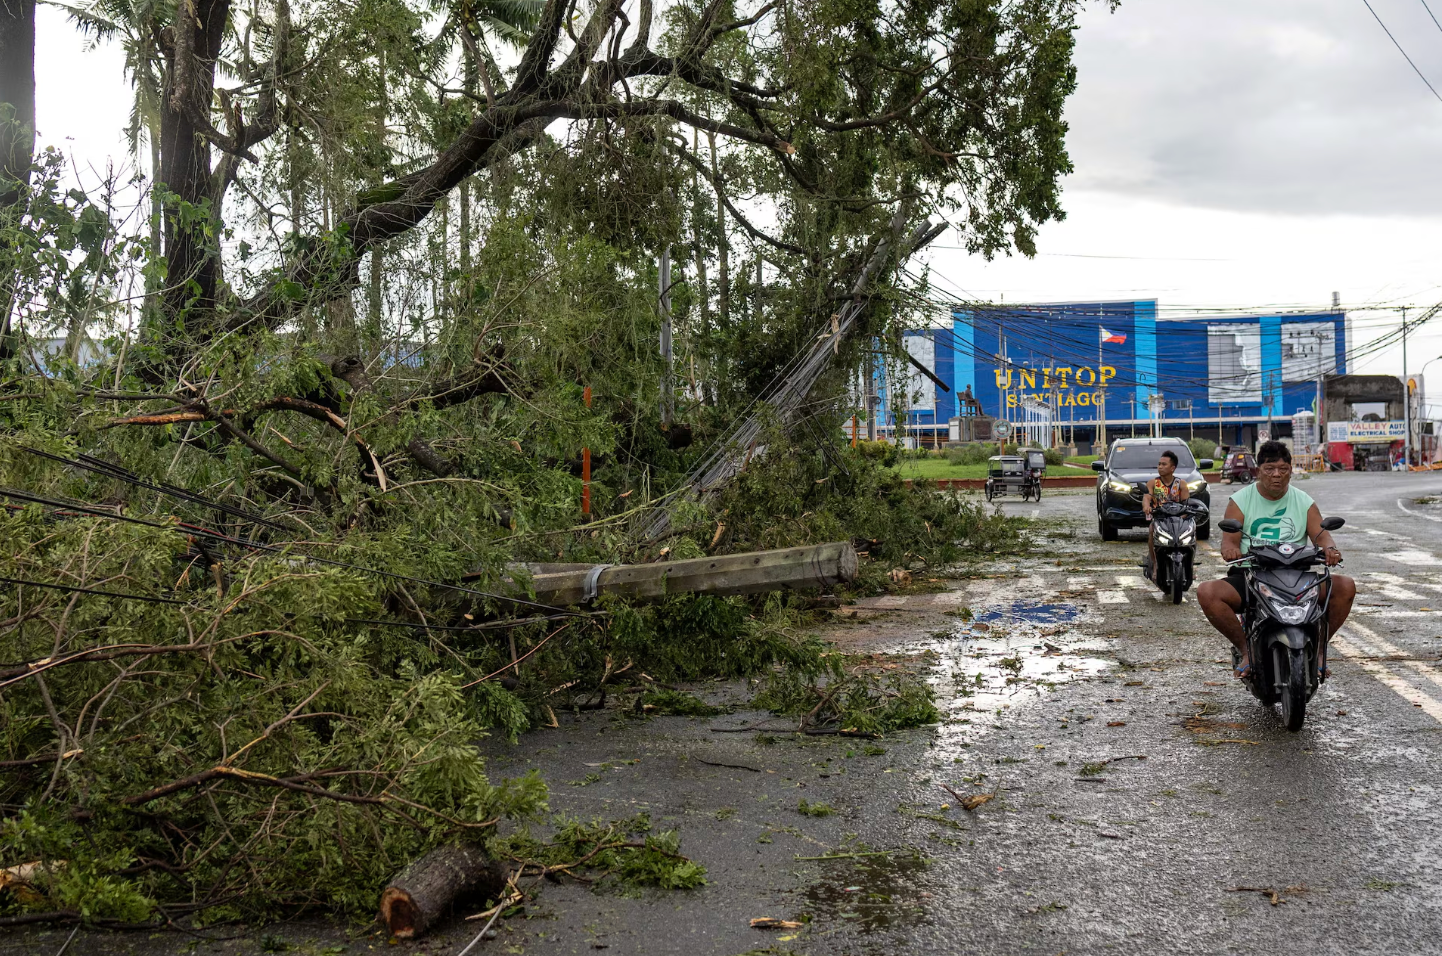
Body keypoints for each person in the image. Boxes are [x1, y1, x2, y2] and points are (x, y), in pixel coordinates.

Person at [1197, 440, 1356, 679]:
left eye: (1283, 469)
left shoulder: (1303, 501)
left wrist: (1330, 549)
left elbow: (1322, 535)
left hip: (1298, 577)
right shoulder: (1240, 500)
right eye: (1270, 469)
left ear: (1291, 471)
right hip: (1252, 576)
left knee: (1345, 586)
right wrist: (1231, 550)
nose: (1277, 475)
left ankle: (1320, 650)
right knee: (1207, 592)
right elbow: (1229, 540)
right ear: (1258, 471)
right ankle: (1246, 650)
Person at [1141, 450, 1189, 582]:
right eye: (1159, 464)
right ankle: (1155, 565)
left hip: (1178, 520)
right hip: (1160, 519)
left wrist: (1184, 516)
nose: (1160, 467)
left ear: (1172, 468)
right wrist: (1147, 507)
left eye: (1164, 464)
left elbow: (1187, 504)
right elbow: (1147, 498)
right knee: (1152, 531)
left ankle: (1189, 566)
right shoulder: (1153, 483)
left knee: (1191, 533)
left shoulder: (1181, 484)